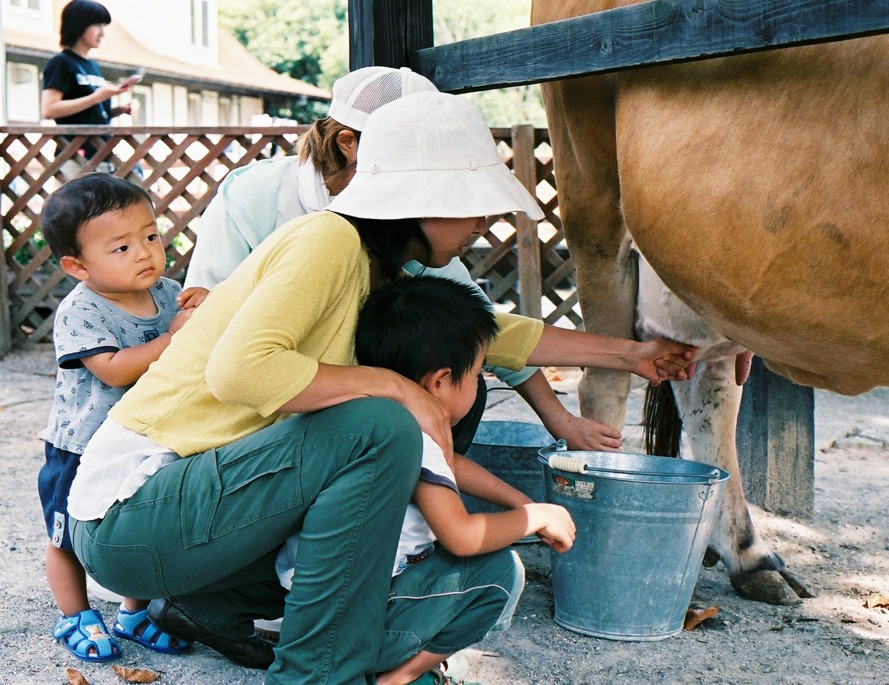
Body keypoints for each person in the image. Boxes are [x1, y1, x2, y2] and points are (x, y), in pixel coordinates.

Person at [65, 91, 693, 683]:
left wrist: (634, 354)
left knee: (467, 560)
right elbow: (240, 370)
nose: (481, 219)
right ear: (424, 198)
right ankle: (317, 673)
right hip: (132, 509)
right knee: (379, 425)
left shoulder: (380, 267)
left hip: (201, 519)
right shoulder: (328, 238)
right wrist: (398, 390)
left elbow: (492, 335)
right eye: (470, 200)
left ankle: (278, 628)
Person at [184, 65, 622, 453]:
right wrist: (396, 389)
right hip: (235, 411)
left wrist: (560, 416)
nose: (478, 225)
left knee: (456, 385)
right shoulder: (268, 204)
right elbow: (205, 323)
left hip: (339, 395)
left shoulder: (410, 233)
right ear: (349, 144)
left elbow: (481, 330)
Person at [276, 275, 577, 685]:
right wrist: (535, 517)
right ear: (439, 381)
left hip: (305, 614)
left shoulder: (361, 413)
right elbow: (463, 536)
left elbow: (450, 463)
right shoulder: (413, 435)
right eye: (475, 376)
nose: (477, 386)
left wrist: (519, 501)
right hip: (363, 624)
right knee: (500, 572)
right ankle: (401, 675)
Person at [38, 173, 194, 662]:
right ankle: (76, 615)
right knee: (66, 535)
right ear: (77, 266)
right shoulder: (80, 311)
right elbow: (113, 369)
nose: (145, 252)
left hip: (143, 439)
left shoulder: (169, 294)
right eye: (121, 248)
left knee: (139, 527)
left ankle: (133, 613)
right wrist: (174, 338)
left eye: (151, 236)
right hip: (81, 445)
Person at [41, 0, 137, 165]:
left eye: (104, 26)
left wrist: (120, 110)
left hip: (102, 151)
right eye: (97, 25)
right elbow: (49, 109)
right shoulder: (61, 62)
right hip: (74, 153)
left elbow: (90, 114)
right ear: (78, 25)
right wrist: (96, 97)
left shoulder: (93, 65)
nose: (102, 33)